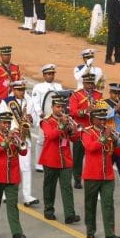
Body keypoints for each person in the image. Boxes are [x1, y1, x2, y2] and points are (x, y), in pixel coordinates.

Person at [82, 107, 120, 238]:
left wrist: (116, 141)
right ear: (93, 119)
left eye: (104, 119)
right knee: (90, 204)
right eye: (99, 119)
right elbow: (90, 148)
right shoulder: (87, 132)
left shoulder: (109, 133)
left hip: (107, 176)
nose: (102, 121)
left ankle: (110, 233)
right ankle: (90, 230)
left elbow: (119, 153)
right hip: (92, 175)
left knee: (108, 204)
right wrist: (105, 137)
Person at [39, 95, 81, 224]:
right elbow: (50, 136)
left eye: (62, 106)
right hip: (50, 159)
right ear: (52, 107)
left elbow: (74, 139)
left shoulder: (67, 120)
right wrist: (62, 126)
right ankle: (49, 210)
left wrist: (72, 129)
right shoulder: (45, 121)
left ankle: (70, 214)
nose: (60, 109)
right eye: (58, 107)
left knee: (67, 187)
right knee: (49, 187)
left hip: (65, 159)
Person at [0, 81, 39, 206]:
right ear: (13, 90)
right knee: (8, 165)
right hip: (10, 137)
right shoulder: (6, 101)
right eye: (19, 89)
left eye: (23, 89)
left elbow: (36, 121)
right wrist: (10, 131)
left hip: (24, 138)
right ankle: (5, 194)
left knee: (26, 168)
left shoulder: (29, 101)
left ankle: (27, 196)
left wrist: (31, 119)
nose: (22, 92)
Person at [69, 73, 102, 189]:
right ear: (83, 83)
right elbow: (73, 112)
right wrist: (86, 110)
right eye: (88, 83)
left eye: (92, 83)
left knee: (93, 155)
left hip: (94, 129)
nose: (90, 85)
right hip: (81, 129)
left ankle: (92, 176)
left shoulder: (98, 95)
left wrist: (98, 109)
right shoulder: (76, 95)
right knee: (78, 156)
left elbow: (103, 109)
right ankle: (77, 179)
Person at [31, 64, 64, 172]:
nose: (51, 76)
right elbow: (35, 102)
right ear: (44, 75)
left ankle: (54, 161)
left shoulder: (59, 86)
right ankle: (38, 164)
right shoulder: (38, 87)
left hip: (57, 118)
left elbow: (63, 101)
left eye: (52, 74)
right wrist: (41, 114)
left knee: (57, 140)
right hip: (45, 118)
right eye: (48, 74)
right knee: (41, 140)